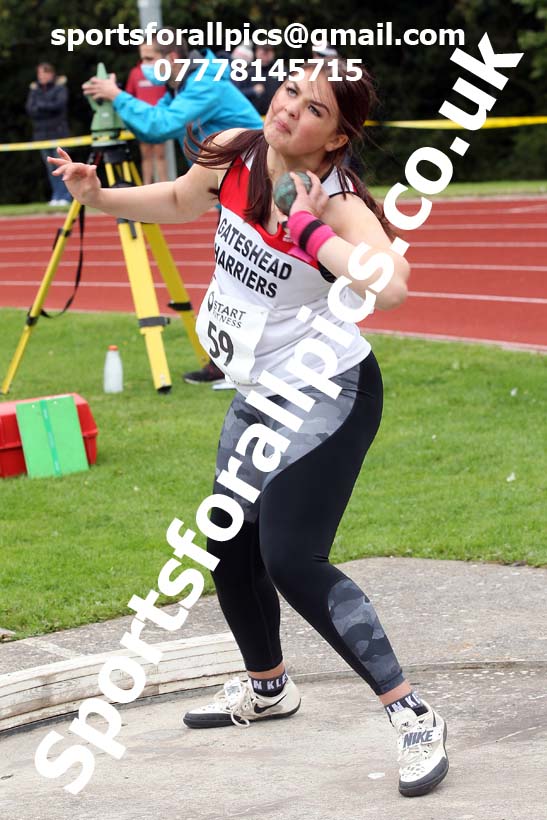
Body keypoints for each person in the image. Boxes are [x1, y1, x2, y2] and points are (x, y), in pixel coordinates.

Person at [49, 60, 449, 798]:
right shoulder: (238, 150)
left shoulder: (334, 200)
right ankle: (268, 687)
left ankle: (412, 712)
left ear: (336, 139)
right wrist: (98, 195)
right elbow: (175, 198)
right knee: (228, 544)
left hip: (327, 393)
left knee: (292, 557)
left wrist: (305, 227)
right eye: (291, 90)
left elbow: (388, 285)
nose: (290, 108)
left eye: (314, 108)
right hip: (260, 393)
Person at [82, 29, 263, 385]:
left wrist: (117, 95)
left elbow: (159, 124)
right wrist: (119, 101)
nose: (144, 67)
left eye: (150, 59)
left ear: (173, 57)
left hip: (255, 183)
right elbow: (152, 128)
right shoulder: (184, 86)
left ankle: (243, 365)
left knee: (244, 278)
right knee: (232, 275)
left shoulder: (205, 84)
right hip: (229, 185)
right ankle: (226, 362)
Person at [26, 62, 72, 207]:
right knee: (50, 168)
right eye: (40, 73)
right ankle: (56, 196)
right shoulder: (34, 91)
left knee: (62, 166)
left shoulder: (60, 89)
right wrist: (45, 106)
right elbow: (30, 109)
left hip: (58, 133)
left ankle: (66, 195)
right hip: (42, 136)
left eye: (45, 73)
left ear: (51, 74)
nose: (42, 76)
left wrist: (41, 106)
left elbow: (58, 106)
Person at [125, 44, 169, 184]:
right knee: (146, 156)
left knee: (160, 155)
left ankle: (163, 186)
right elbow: (129, 96)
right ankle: (146, 186)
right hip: (141, 120)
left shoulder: (162, 72)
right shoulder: (135, 73)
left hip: (159, 118)